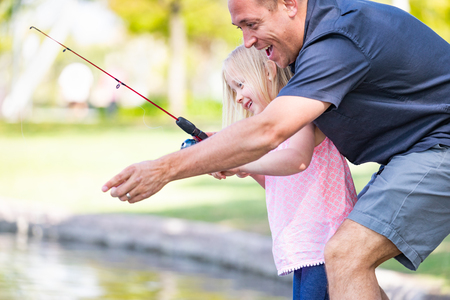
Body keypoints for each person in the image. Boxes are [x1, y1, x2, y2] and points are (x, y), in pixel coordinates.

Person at [102, 0, 450, 298]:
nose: (247, 40)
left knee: (346, 255)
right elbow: (281, 140)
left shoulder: (336, 40)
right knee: (347, 259)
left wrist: (163, 169)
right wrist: (227, 151)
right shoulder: (311, 48)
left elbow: (270, 130)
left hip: (440, 143)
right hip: (415, 151)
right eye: (239, 27)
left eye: (252, 24)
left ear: (289, 4)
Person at [212, 45, 357, 299]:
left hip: (324, 241)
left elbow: (298, 160)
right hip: (305, 247)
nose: (237, 97)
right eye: (233, 90)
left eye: (240, 84)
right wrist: (240, 167)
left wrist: (244, 163)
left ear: (268, 72)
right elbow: (279, 184)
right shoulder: (280, 131)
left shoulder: (298, 113)